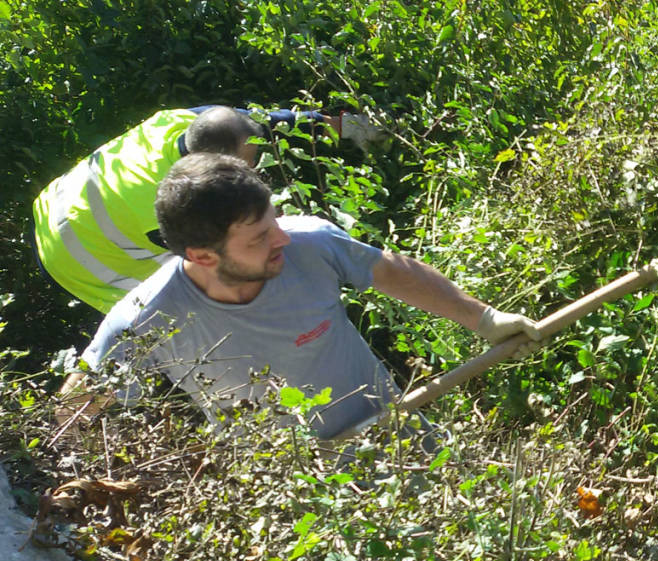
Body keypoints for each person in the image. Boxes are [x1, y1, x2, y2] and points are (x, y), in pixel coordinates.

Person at [57, 153, 540, 441]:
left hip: (402, 440)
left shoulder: (309, 243)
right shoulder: (147, 319)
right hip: (296, 499)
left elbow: (394, 272)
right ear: (202, 256)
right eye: (258, 239)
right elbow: (69, 418)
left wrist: (485, 318)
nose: (281, 240)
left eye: (274, 223)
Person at [31, 105, 380, 313]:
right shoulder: (172, 200)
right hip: (78, 259)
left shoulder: (180, 120)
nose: (255, 170)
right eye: (245, 166)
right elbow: (231, 260)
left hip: (60, 202)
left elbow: (258, 121)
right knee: (200, 303)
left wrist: (344, 125)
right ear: (211, 164)